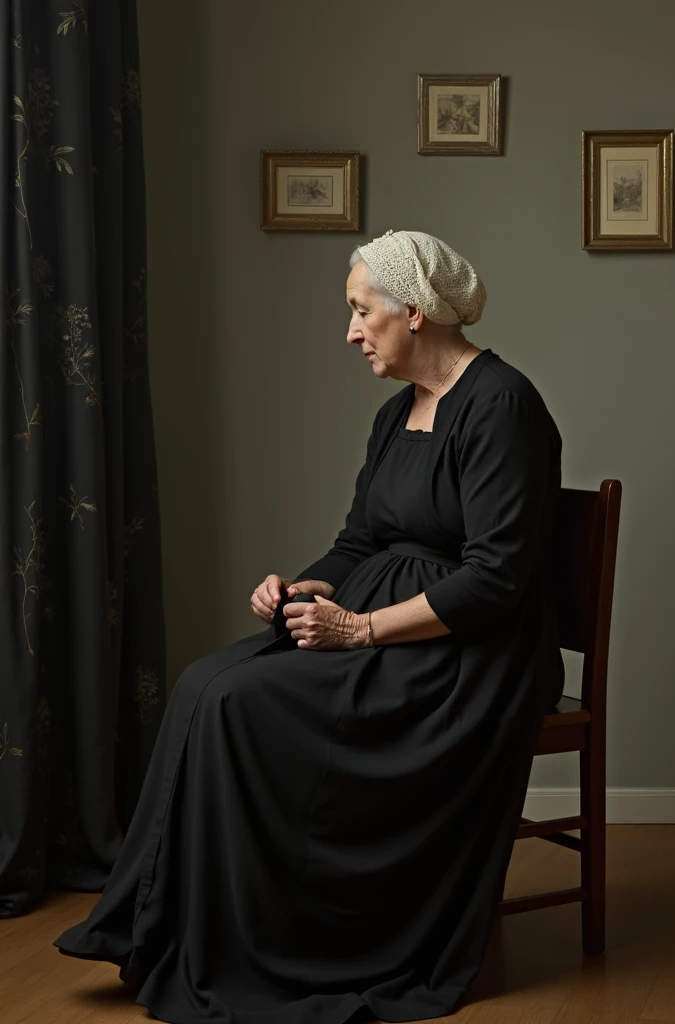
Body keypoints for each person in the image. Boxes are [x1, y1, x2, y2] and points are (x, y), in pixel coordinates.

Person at [55, 229, 565, 1024]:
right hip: (372, 615)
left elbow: (495, 578)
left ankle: (272, 938)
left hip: (468, 652)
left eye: (363, 312)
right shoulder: (399, 415)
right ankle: (163, 925)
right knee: (201, 683)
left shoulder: (501, 405)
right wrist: (302, 585)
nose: (352, 331)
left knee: (239, 705)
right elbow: (360, 539)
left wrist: (361, 631)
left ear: (417, 313)